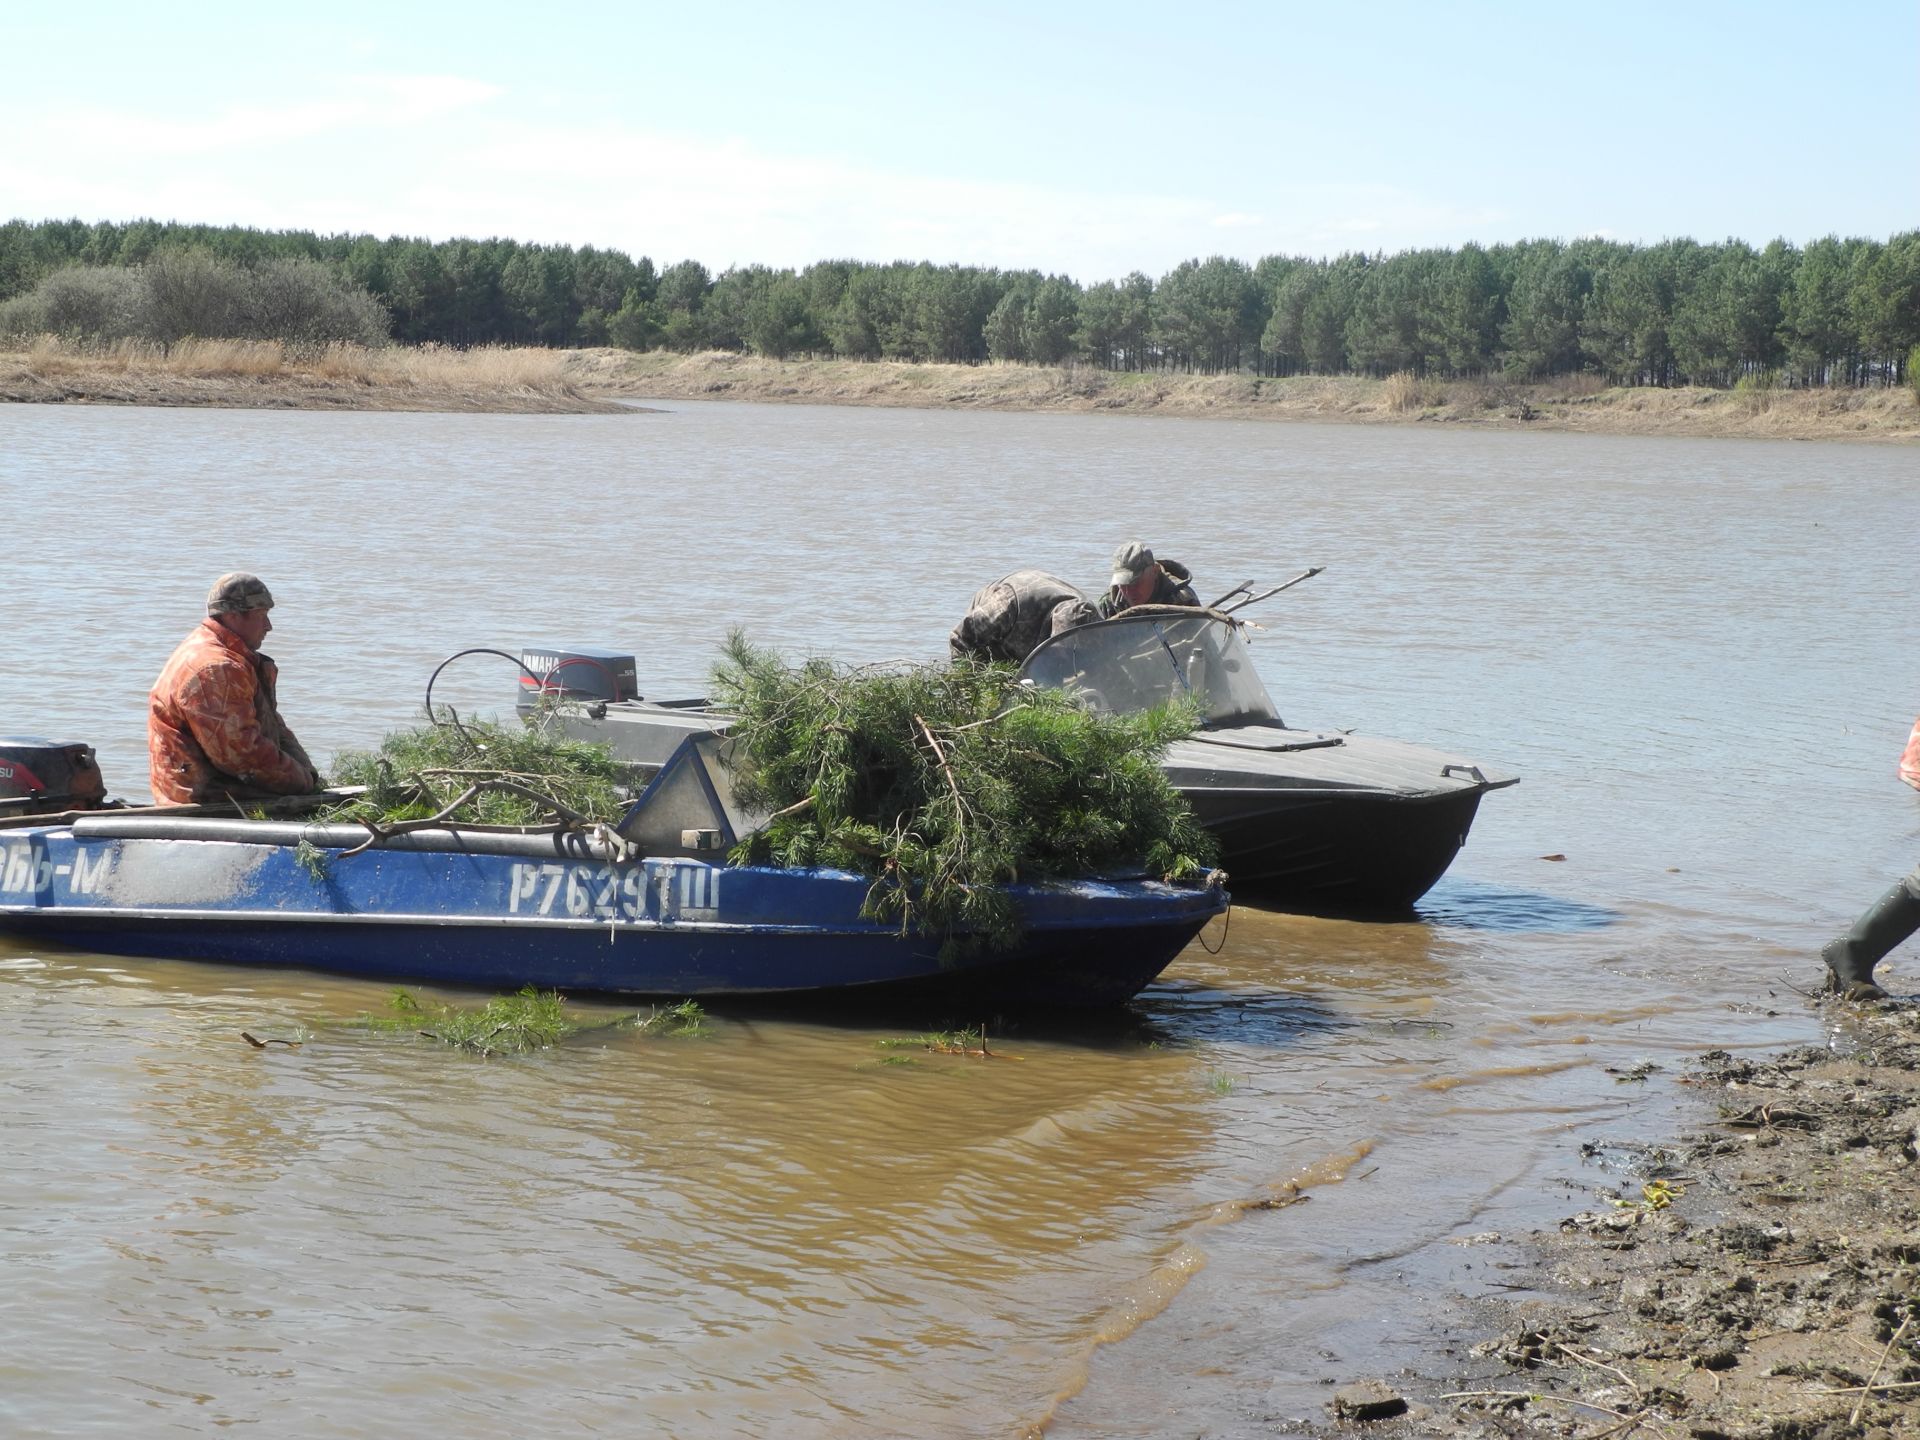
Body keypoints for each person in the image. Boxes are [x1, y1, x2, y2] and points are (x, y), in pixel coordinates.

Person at [148, 572, 320, 806]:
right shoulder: (216, 668)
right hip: (206, 803)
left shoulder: (224, 655)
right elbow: (241, 755)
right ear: (232, 616)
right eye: (262, 615)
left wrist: (307, 774)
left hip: (227, 793)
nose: (269, 626)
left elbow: (270, 724)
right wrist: (303, 782)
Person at [949, 569, 1098, 666]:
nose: (1066, 657)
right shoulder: (1007, 603)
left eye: (1073, 653)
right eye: (1065, 651)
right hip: (991, 644)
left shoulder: (1092, 619)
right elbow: (960, 638)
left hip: (1035, 654)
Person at [1099, 540, 1200, 618]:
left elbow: (1202, 642)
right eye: (1123, 584)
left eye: (1135, 582)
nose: (1129, 592)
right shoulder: (1109, 603)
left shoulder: (1183, 600)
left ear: (1155, 571)